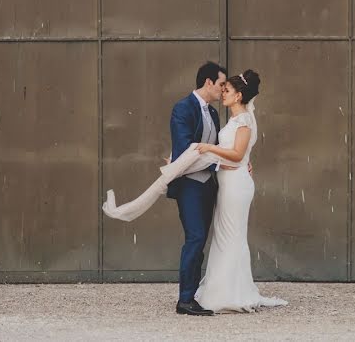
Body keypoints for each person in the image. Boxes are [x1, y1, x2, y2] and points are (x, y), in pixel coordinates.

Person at [102, 68, 287, 314]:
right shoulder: (183, 108)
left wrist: (239, 161)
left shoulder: (217, 113)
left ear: (239, 95)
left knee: (220, 237)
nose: (222, 91)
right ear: (208, 82)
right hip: (191, 184)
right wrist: (219, 160)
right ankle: (186, 300)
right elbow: (188, 146)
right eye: (221, 85)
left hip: (220, 184)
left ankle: (224, 291)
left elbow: (226, 148)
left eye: (227, 88)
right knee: (198, 237)